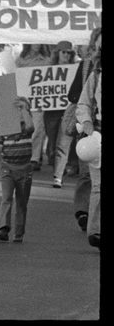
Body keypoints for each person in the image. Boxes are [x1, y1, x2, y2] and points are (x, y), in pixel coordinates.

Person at [63, 26, 101, 227]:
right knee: (88, 174)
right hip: (91, 127)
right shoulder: (87, 67)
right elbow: (74, 95)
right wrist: (86, 115)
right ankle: (83, 212)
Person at [0, 97, 35, 243]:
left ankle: (19, 233)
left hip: (24, 169)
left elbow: (31, 127)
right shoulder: (4, 129)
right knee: (6, 198)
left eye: (22, 109)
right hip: (7, 168)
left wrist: (24, 108)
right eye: (16, 109)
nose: (19, 112)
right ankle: (3, 228)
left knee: (22, 202)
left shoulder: (26, 128)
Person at [74, 28, 101, 249]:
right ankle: (95, 232)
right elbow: (83, 103)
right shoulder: (96, 74)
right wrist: (87, 123)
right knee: (98, 187)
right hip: (99, 135)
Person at [15, 43, 52, 170]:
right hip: (24, 99)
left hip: (39, 100)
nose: (37, 44)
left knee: (37, 129)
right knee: (24, 128)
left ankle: (35, 158)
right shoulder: (20, 60)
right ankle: (23, 155)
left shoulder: (47, 61)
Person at [47, 41, 78, 186]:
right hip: (51, 112)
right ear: (58, 52)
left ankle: (57, 177)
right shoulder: (48, 70)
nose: (66, 55)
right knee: (52, 145)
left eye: (69, 52)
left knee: (62, 144)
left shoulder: (76, 69)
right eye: (64, 52)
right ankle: (59, 168)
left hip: (69, 112)